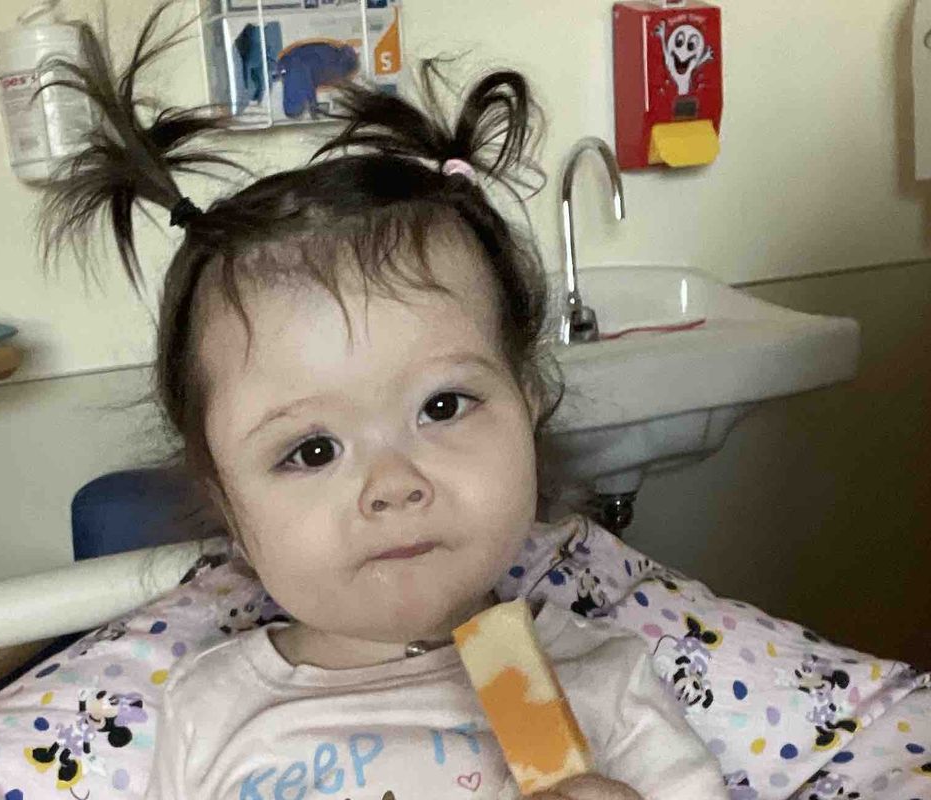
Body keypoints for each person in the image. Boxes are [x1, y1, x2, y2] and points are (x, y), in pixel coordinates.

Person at [41, 8, 729, 799]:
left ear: (529, 407)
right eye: (311, 450)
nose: (394, 484)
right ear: (226, 502)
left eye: (442, 407)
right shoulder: (215, 708)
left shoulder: (605, 684)